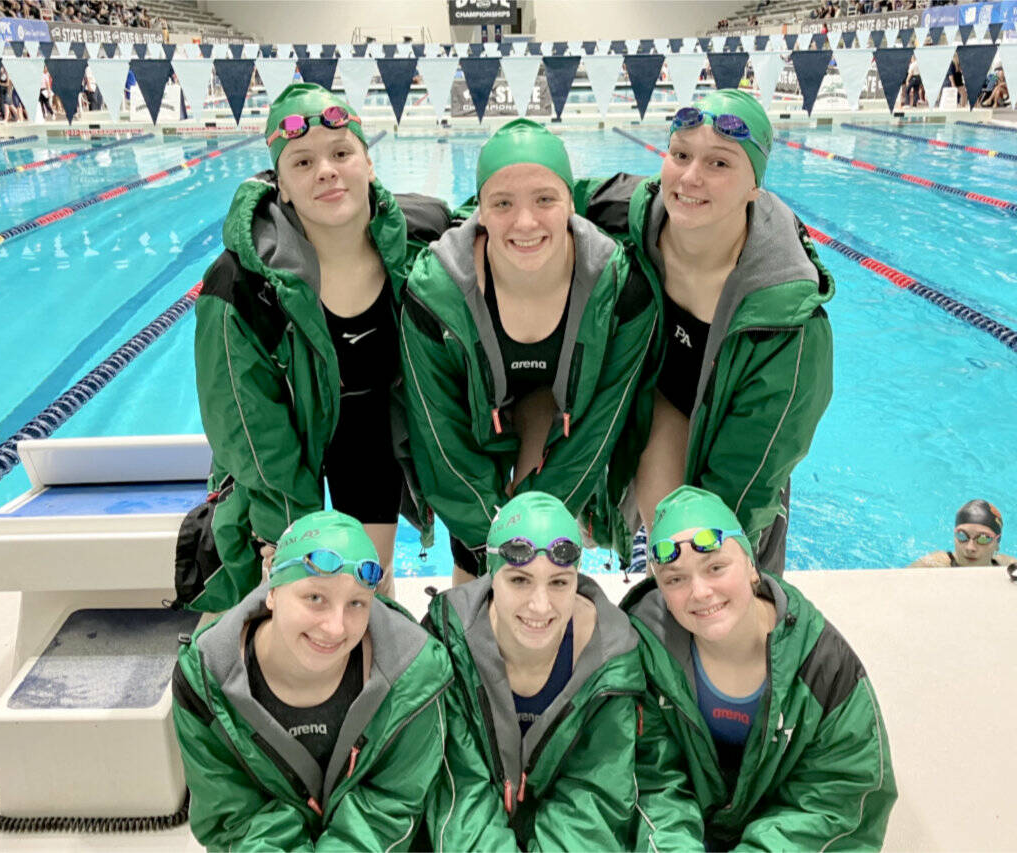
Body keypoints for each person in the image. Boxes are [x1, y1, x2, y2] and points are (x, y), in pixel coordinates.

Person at [185, 83, 451, 611]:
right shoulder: (240, 286)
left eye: (341, 153)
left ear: (368, 165)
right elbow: (246, 429)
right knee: (296, 590)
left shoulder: (423, 238)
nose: (326, 170)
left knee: (366, 588)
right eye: (302, 162)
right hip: (283, 442)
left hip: (369, 432)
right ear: (279, 186)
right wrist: (282, 526)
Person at [574, 89, 834, 576]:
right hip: (666, 404)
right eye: (681, 155)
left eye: (719, 163)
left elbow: (749, 482)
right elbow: (537, 197)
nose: (691, 177)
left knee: (718, 564)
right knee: (666, 561)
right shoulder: (635, 211)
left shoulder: (788, 323)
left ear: (755, 186)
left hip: (740, 439)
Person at [399, 119, 658, 584]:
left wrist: (542, 531)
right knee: (479, 572)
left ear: (571, 204)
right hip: (480, 424)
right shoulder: (435, 295)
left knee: (548, 562)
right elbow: (441, 439)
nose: (524, 222)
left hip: (563, 417)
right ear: (480, 210)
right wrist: (492, 540)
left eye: (545, 199)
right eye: (502, 203)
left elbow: (599, 430)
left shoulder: (620, 293)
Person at [421, 491, 701, 851]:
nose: (540, 606)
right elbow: (459, 794)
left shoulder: (611, 661)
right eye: (520, 580)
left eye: (559, 582)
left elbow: (591, 797)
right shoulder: (449, 647)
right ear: (492, 577)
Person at [623, 486, 897, 848]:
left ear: (752, 567)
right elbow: (653, 783)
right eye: (676, 579)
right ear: (660, 590)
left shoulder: (823, 669)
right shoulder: (646, 655)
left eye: (716, 567)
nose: (700, 591)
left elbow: (836, 801)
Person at [171, 510, 452, 850]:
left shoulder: (415, 676)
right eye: (315, 598)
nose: (335, 627)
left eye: (356, 604)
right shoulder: (204, 683)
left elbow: (389, 807)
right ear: (272, 591)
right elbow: (236, 820)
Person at [909, 499, 1017, 567]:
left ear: (997, 543)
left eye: (983, 538)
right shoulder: (934, 564)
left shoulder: (1006, 565)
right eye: (962, 535)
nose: (970, 548)